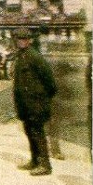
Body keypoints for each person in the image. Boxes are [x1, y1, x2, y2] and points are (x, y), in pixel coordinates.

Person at [11, 27, 57, 176]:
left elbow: (50, 81)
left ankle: (45, 165)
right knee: (29, 131)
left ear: (29, 40)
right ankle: (35, 160)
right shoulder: (21, 55)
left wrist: (42, 98)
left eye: (24, 39)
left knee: (37, 132)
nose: (21, 42)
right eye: (18, 39)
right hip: (25, 103)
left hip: (36, 103)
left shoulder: (34, 56)